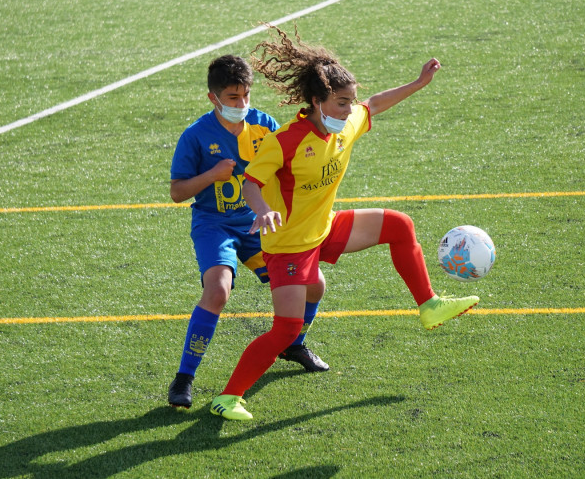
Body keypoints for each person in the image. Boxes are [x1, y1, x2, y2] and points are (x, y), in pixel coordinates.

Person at [209, 27, 479, 421]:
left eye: (350, 102)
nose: (350, 110)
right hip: (289, 245)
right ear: (317, 102)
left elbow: (374, 104)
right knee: (284, 330)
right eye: (341, 103)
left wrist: (420, 83)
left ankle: (429, 305)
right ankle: (228, 397)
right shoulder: (285, 141)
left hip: (325, 227)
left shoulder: (345, 123)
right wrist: (263, 210)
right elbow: (251, 183)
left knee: (399, 225)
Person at [167, 54, 329, 410]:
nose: (242, 104)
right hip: (215, 225)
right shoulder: (195, 136)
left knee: (315, 283)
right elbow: (177, 193)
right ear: (214, 99)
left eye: (245, 96)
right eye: (232, 98)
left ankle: (294, 342)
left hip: (261, 225)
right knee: (218, 291)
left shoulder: (264, 124)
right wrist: (212, 175)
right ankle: (184, 377)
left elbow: (287, 168)